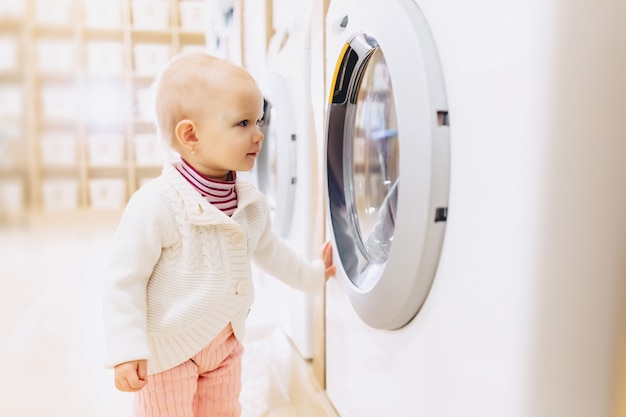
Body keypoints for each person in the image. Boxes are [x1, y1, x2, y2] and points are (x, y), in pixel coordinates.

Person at [102, 52, 336, 417]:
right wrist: (126, 347)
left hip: (225, 344)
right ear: (191, 134)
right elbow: (123, 279)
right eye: (243, 123)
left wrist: (312, 275)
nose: (258, 134)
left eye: (258, 121)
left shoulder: (249, 202)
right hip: (167, 352)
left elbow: (270, 250)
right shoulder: (158, 204)